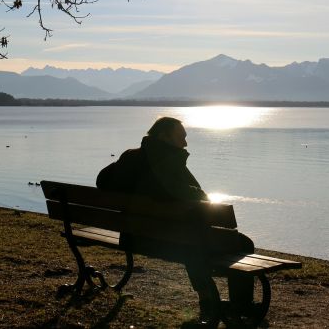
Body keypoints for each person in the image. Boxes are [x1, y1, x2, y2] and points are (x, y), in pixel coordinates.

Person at [96, 117, 254, 319]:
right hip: (170, 240)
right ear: (163, 136)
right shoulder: (169, 161)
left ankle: (208, 298)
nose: (185, 143)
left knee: (191, 238)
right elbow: (194, 198)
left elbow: (102, 180)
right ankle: (239, 307)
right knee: (242, 243)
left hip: (133, 237)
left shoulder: (130, 156)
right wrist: (196, 192)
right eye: (181, 137)